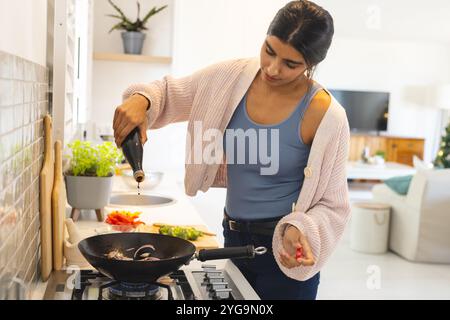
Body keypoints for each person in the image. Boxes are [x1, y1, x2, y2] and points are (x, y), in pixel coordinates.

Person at [113, 0, 350, 300]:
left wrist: (300, 230)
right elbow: (169, 93)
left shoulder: (326, 115)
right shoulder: (229, 79)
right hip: (233, 240)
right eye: (269, 50)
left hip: (285, 252)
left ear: (311, 65)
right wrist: (141, 99)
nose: (273, 68)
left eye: (291, 64)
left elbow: (334, 204)